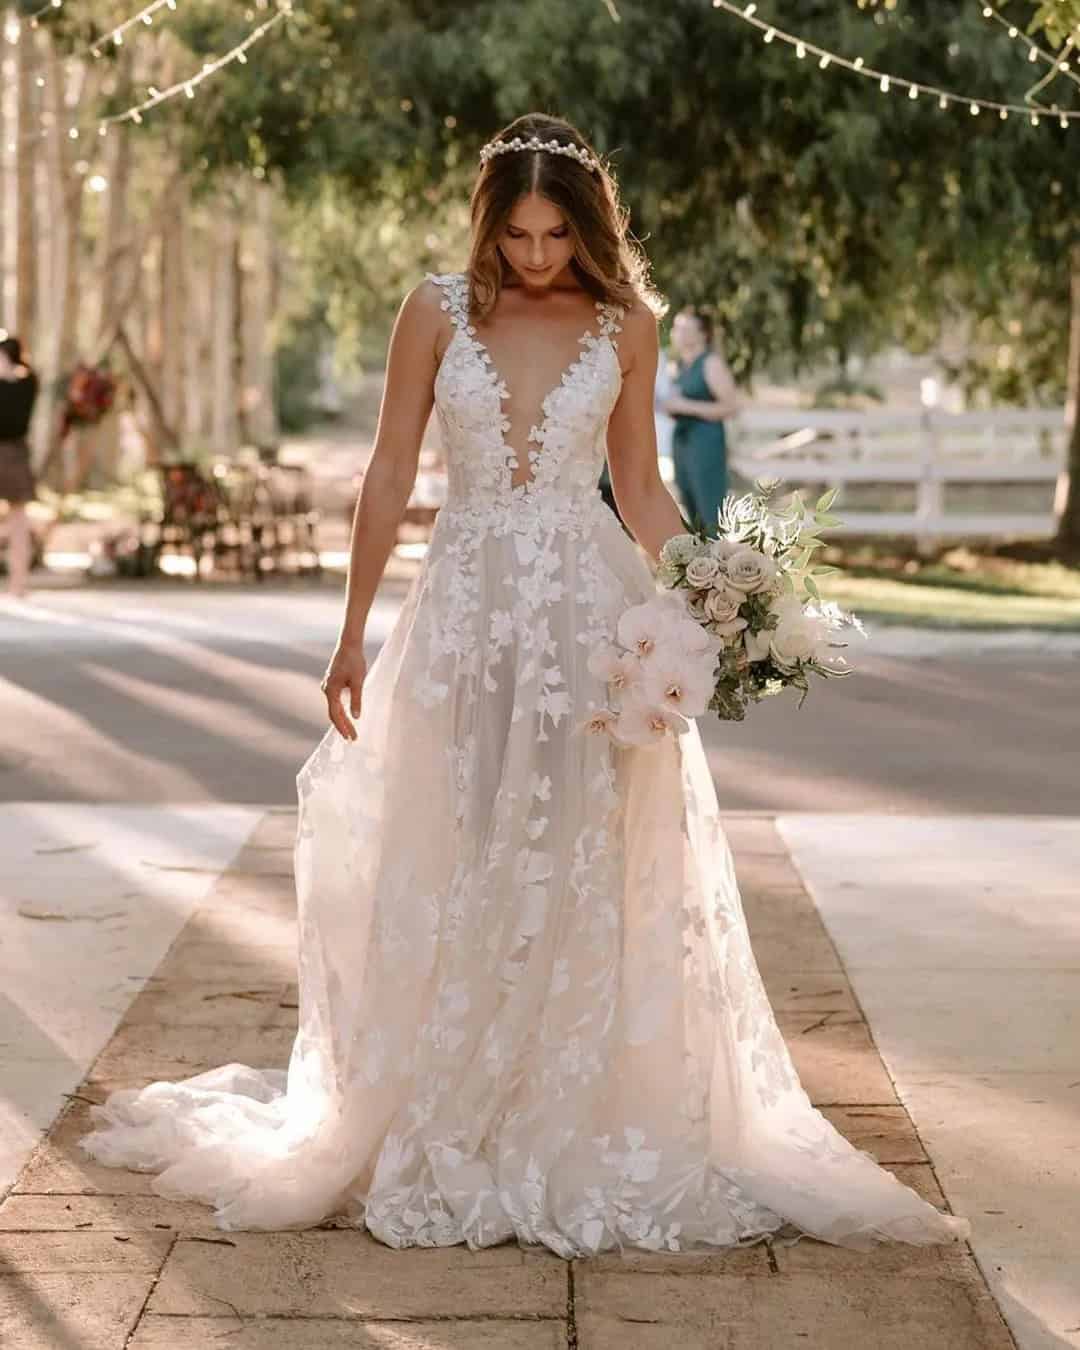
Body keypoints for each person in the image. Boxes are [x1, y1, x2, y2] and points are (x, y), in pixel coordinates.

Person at [80, 114, 968, 1256]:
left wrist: (714, 598)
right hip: (460, 610)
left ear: (587, 228)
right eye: (520, 231)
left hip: (591, 624)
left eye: (557, 232)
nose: (538, 254)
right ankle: (449, 1090)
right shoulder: (434, 310)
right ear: (487, 220)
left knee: (586, 847)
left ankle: (574, 1098)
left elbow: (639, 489)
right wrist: (349, 634)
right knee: (455, 842)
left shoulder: (627, 324)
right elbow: (392, 466)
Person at [663, 307, 738, 534]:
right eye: (677, 328)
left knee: (710, 507)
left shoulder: (710, 363)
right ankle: (698, 565)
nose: (678, 333)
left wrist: (686, 406)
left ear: (703, 334)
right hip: (683, 441)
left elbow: (731, 406)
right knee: (689, 504)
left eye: (686, 328)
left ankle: (718, 561)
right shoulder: (679, 366)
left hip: (705, 442)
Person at [0, 336, 39, 598]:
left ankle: (18, 582)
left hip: (11, 451)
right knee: (18, 522)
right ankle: (18, 583)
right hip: (16, 452)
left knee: (18, 522)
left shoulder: (21, 385)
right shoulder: (29, 382)